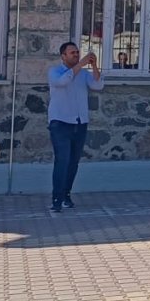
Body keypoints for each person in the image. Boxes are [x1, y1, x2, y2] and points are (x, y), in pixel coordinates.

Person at [47, 42, 104, 213]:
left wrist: (94, 65)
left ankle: (66, 194)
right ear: (63, 56)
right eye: (72, 53)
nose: (76, 55)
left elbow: (98, 85)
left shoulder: (83, 73)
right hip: (60, 122)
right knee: (62, 160)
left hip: (79, 123)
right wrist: (81, 64)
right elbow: (62, 81)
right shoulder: (55, 71)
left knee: (73, 162)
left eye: (77, 52)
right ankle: (57, 198)